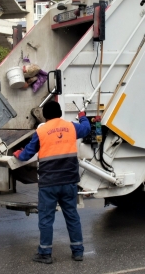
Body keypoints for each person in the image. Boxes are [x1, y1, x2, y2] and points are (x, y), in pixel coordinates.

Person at [13, 101, 91, 264]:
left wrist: (17, 153)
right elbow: (86, 129)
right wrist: (83, 117)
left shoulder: (41, 132)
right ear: (60, 113)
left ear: (45, 115)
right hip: (69, 181)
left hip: (49, 183)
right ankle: (78, 252)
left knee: (46, 219)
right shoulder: (71, 127)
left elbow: (26, 154)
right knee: (72, 216)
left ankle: (45, 254)